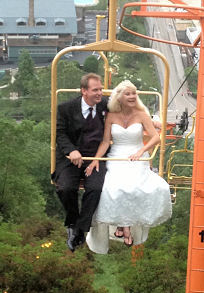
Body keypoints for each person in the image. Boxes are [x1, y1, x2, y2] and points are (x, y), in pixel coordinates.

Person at [85, 80, 172, 254]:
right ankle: (124, 226)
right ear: (119, 97)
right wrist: (96, 159)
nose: (132, 97)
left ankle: (124, 226)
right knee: (113, 188)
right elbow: (105, 141)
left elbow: (156, 138)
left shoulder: (141, 114)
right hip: (117, 156)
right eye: (128, 94)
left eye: (134, 93)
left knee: (135, 188)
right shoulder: (111, 116)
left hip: (136, 155)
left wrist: (141, 151)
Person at [52, 73, 108, 252]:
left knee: (95, 189)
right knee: (66, 188)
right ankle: (73, 223)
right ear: (84, 91)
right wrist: (71, 150)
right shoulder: (66, 108)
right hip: (72, 158)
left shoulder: (105, 106)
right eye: (95, 90)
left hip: (95, 157)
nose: (100, 93)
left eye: (100, 89)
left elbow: (129, 109)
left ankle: (80, 229)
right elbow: (59, 133)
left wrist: (150, 121)